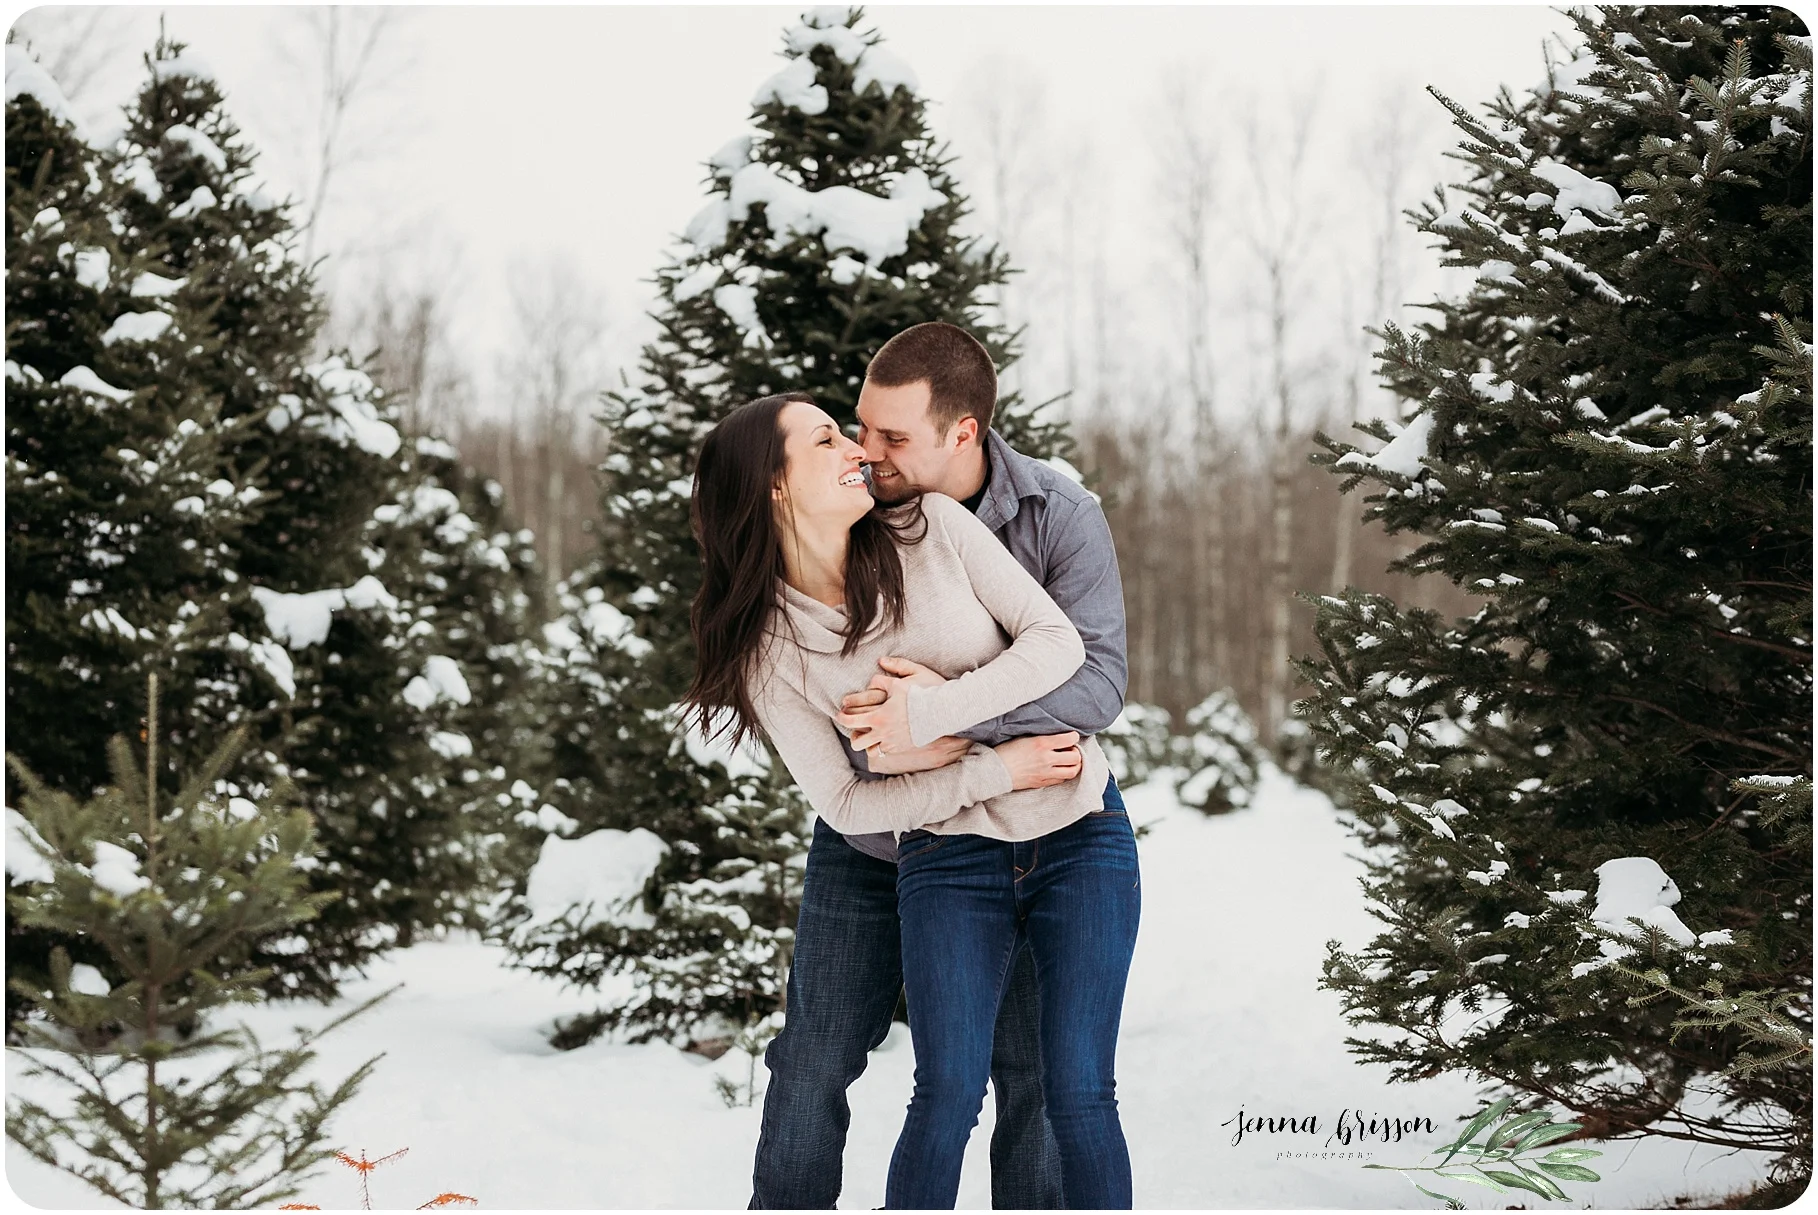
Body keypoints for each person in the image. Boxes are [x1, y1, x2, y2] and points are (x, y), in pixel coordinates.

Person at [684, 371, 1139, 1207]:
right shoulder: (768, 648)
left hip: (1027, 826)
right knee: (817, 1059)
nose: (861, 450)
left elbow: (1076, 659)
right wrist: (992, 764)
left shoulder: (933, 526)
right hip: (880, 844)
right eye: (831, 437)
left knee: (1035, 1072)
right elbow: (848, 800)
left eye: (861, 433)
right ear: (775, 485)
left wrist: (932, 717)